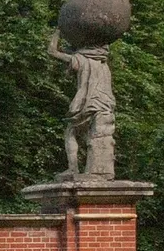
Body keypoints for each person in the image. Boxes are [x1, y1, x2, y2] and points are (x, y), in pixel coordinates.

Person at [47, 30, 115, 180]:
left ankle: (73, 169)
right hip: (105, 105)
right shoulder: (104, 63)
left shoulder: (80, 59)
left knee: (71, 132)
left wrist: (58, 32)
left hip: (88, 103)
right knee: (99, 135)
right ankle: (101, 172)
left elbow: (52, 51)